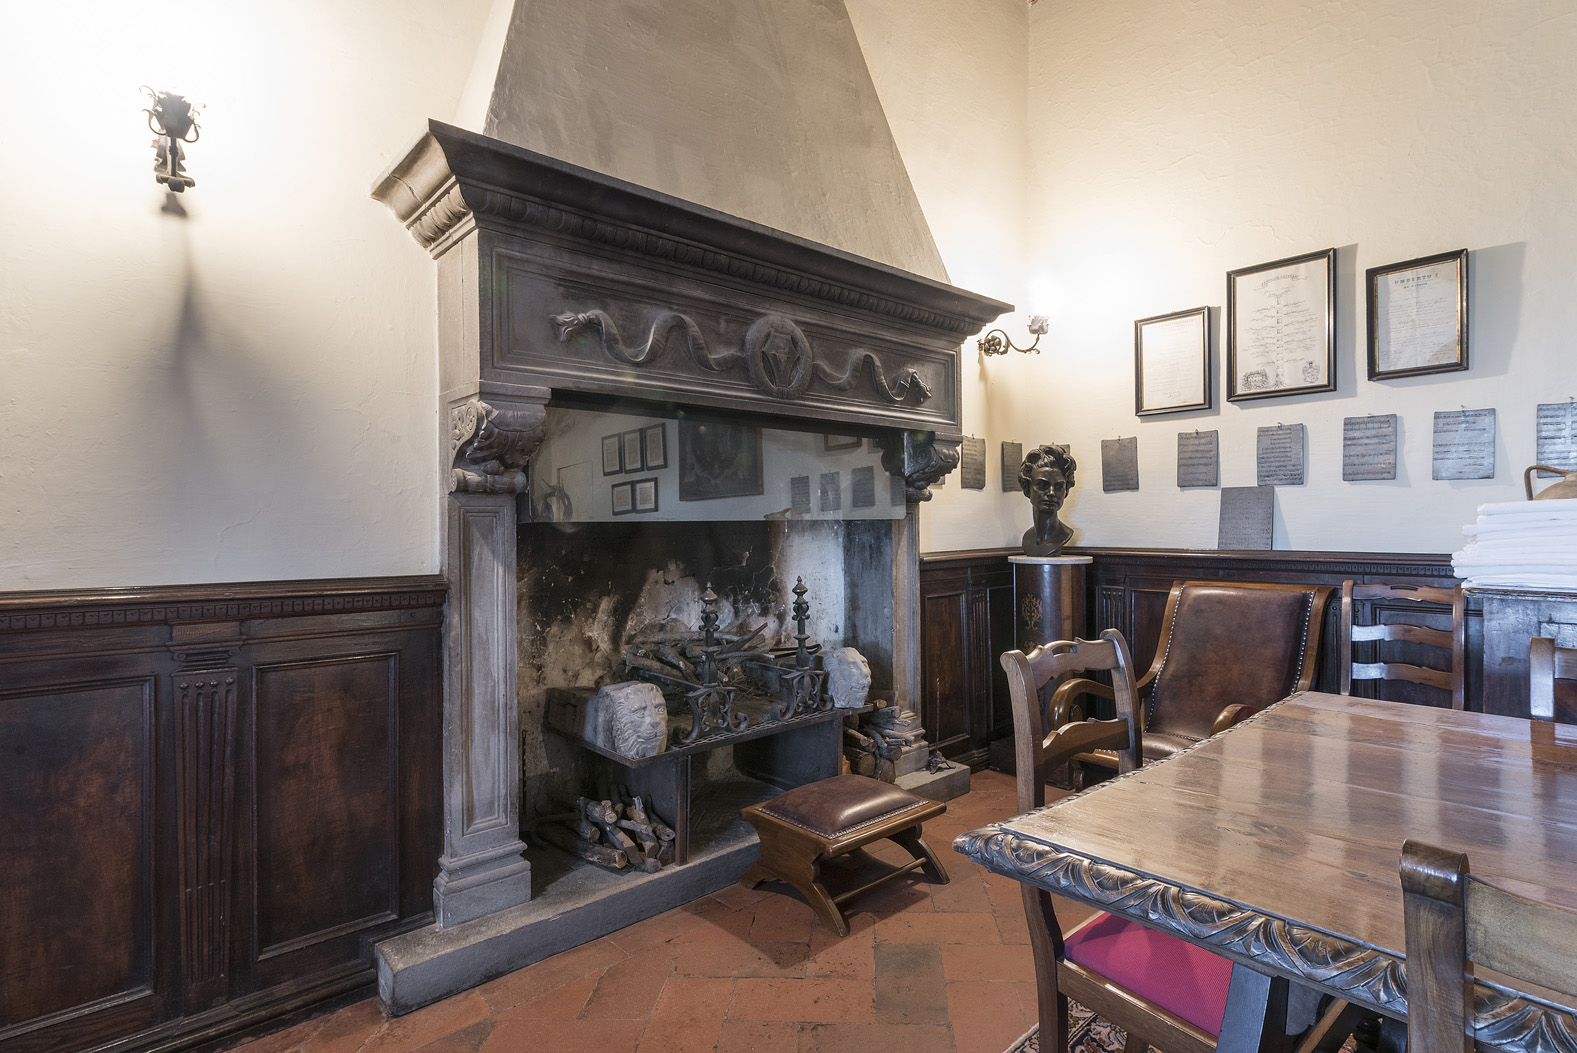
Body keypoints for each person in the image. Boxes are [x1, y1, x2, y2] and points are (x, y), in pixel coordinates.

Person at [1017, 444, 1076, 556]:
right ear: (1027, 488)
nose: (1051, 493)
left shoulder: (1065, 534)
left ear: (1066, 490)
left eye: (1059, 487)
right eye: (1042, 485)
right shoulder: (1027, 538)